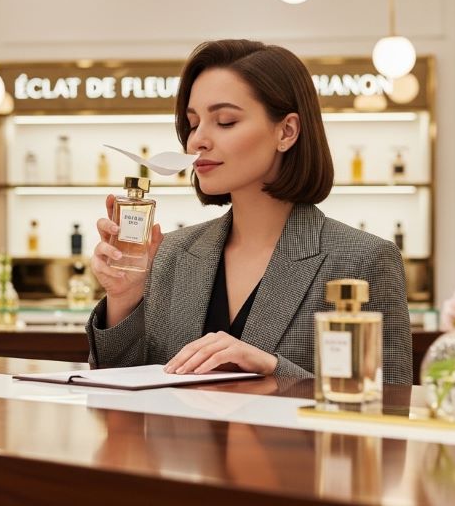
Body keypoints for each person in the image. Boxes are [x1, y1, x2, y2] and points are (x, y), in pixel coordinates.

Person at [85, 39, 412, 384]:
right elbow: (120, 393)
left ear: (286, 131)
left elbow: (389, 406)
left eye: (225, 121)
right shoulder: (170, 254)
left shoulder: (363, 260)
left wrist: (272, 369)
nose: (197, 140)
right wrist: (123, 299)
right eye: (193, 123)